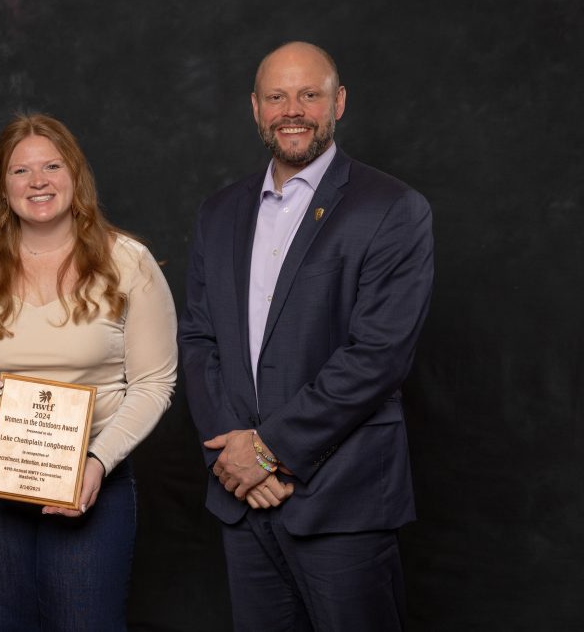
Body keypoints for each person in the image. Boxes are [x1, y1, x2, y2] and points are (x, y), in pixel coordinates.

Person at [178, 42, 434, 631]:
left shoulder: (393, 208)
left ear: (338, 102)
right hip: (242, 498)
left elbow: (378, 356)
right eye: (277, 96)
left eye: (309, 94)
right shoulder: (218, 212)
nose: (292, 109)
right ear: (255, 107)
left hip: (343, 500)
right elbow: (197, 339)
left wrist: (268, 451)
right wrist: (234, 456)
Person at [0, 113, 177, 631]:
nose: (38, 181)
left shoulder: (130, 262)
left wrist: (99, 462)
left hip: (90, 469)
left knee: (85, 623)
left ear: (75, 176)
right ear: (3, 185)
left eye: (52, 166)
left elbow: (155, 383)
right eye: (21, 171)